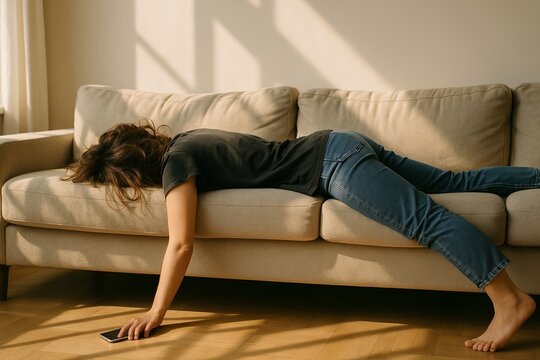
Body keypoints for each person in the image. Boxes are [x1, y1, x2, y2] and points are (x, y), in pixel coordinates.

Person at [65, 120, 536, 352]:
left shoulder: (177, 164)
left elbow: (181, 242)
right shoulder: (187, 139)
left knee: (425, 220)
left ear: (133, 169)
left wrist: (155, 310)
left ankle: (509, 300)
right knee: (453, 183)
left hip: (333, 164)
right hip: (339, 142)